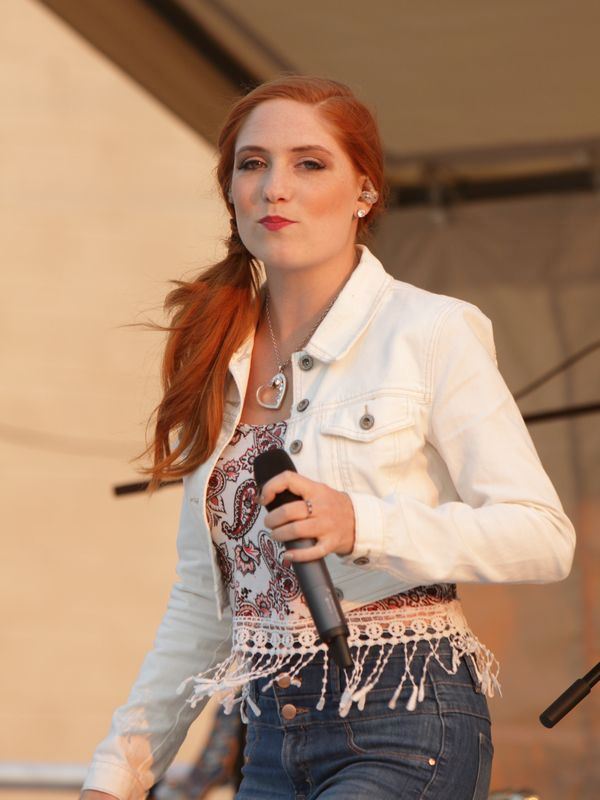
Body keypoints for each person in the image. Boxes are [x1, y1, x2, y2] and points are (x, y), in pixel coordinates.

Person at [80, 75, 576, 800]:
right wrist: (120, 771)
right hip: (268, 739)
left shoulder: (430, 330)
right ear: (231, 190)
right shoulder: (217, 354)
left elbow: (542, 537)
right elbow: (200, 602)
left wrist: (361, 523)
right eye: (252, 164)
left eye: (309, 164)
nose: (275, 187)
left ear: (365, 192)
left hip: (406, 719)